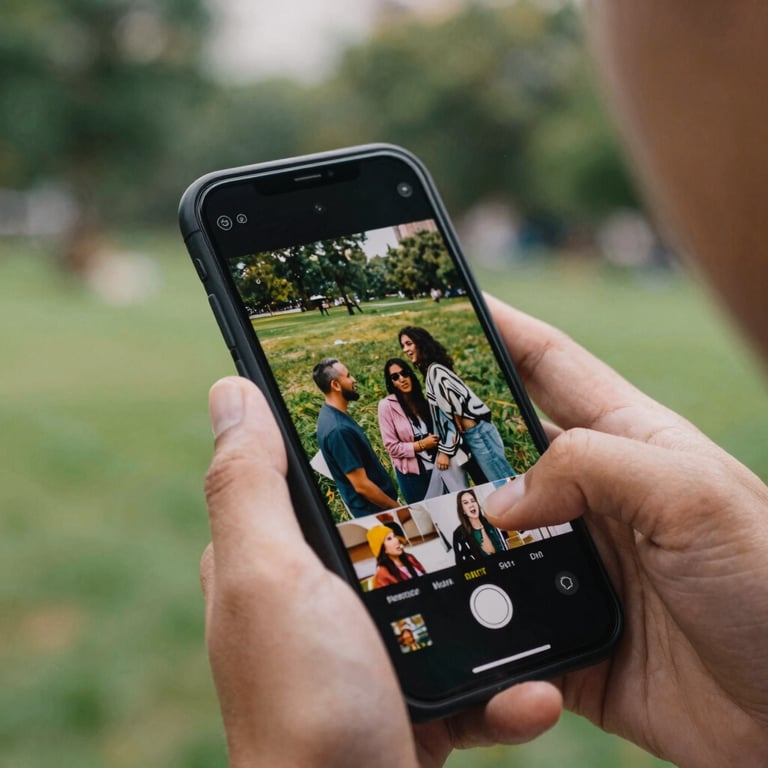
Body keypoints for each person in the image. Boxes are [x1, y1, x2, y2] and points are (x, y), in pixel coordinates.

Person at [198, 3, 768, 766]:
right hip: (428, 476)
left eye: (404, 354)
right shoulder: (376, 409)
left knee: (495, 498)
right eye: (388, 360)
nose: (395, 363)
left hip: (462, 455)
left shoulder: (424, 384)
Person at [398, 325, 515, 484]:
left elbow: (447, 413)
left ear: (421, 343)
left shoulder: (435, 371)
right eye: (403, 345)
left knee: (504, 483)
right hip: (476, 433)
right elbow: (452, 408)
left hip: (477, 434)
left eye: (409, 343)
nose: (405, 349)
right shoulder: (435, 369)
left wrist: (445, 451)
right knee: (501, 482)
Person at [313, 357, 400, 517]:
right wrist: (396, 509)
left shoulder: (331, 415)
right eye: (348, 376)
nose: (353, 379)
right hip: (377, 513)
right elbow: (362, 486)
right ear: (335, 385)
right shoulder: (339, 430)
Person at [377, 357, 445, 503]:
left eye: (405, 373)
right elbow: (391, 447)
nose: (402, 379)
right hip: (412, 476)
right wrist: (420, 445)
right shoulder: (387, 406)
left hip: (439, 469)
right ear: (391, 383)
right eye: (395, 377)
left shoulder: (425, 401)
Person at [452, 488, 508, 564]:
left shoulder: (490, 521)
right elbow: (462, 564)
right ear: (462, 510)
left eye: (473, 501)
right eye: (466, 503)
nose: (471, 504)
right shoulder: (459, 534)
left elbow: (507, 541)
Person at [367, 525, 427, 589]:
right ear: (382, 549)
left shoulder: (409, 557)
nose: (396, 540)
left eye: (394, 536)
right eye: (389, 539)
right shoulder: (382, 573)